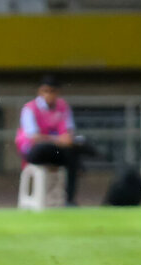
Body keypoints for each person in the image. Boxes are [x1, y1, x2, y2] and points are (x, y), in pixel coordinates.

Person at [15, 75, 88, 206]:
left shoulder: (63, 107)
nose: (48, 95)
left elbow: (69, 131)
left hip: (57, 150)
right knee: (51, 148)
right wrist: (58, 140)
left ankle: (69, 200)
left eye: (52, 91)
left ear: (57, 92)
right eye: (45, 91)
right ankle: (83, 162)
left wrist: (66, 140)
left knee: (74, 153)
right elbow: (34, 137)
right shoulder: (30, 108)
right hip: (34, 151)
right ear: (39, 92)